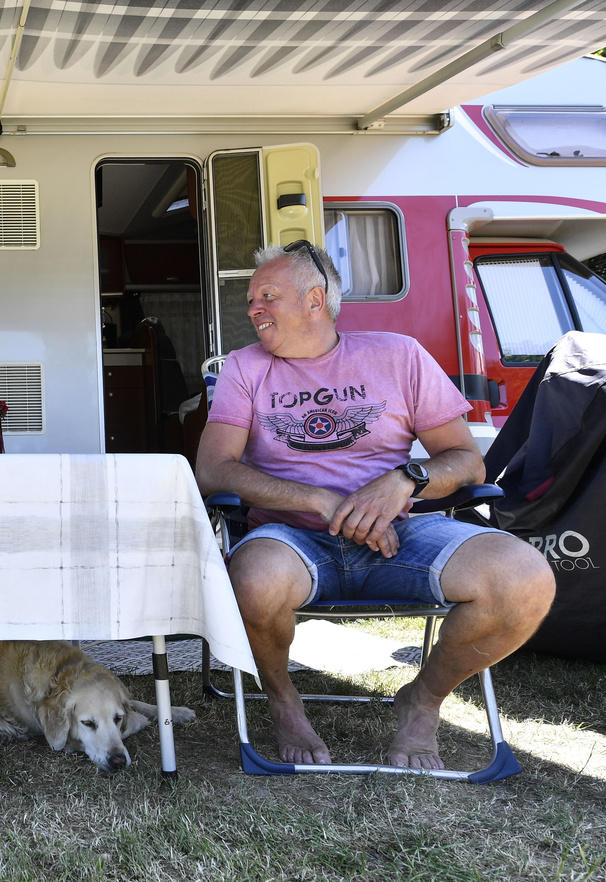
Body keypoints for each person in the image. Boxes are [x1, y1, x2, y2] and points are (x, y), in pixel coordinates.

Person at [195, 241, 554, 769]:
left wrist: (404, 479)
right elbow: (214, 469)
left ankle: (424, 700)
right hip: (293, 540)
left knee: (524, 579)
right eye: (252, 298)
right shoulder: (245, 369)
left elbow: (464, 462)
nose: (253, 309)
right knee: (252, 581)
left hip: (399, 533)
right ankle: (282, 698)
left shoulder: (398, 355)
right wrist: (319, 500)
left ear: (315, 300)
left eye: (267, 296)